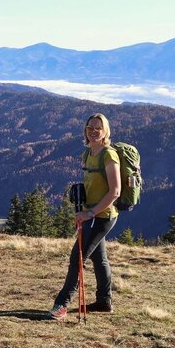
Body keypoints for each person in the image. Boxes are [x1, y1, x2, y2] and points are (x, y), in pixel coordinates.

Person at [50, 113, 121, 319]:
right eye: (90, 127)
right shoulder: (88, 153)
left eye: (98, 128)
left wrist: (90, 212)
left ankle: (61, 304)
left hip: (103, 215)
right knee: (100, 259)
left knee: (77, 258)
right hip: (91, 214)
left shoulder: (109, 155)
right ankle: (104, 302)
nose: (93, 131)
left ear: (106, 131)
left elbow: (115, 191)